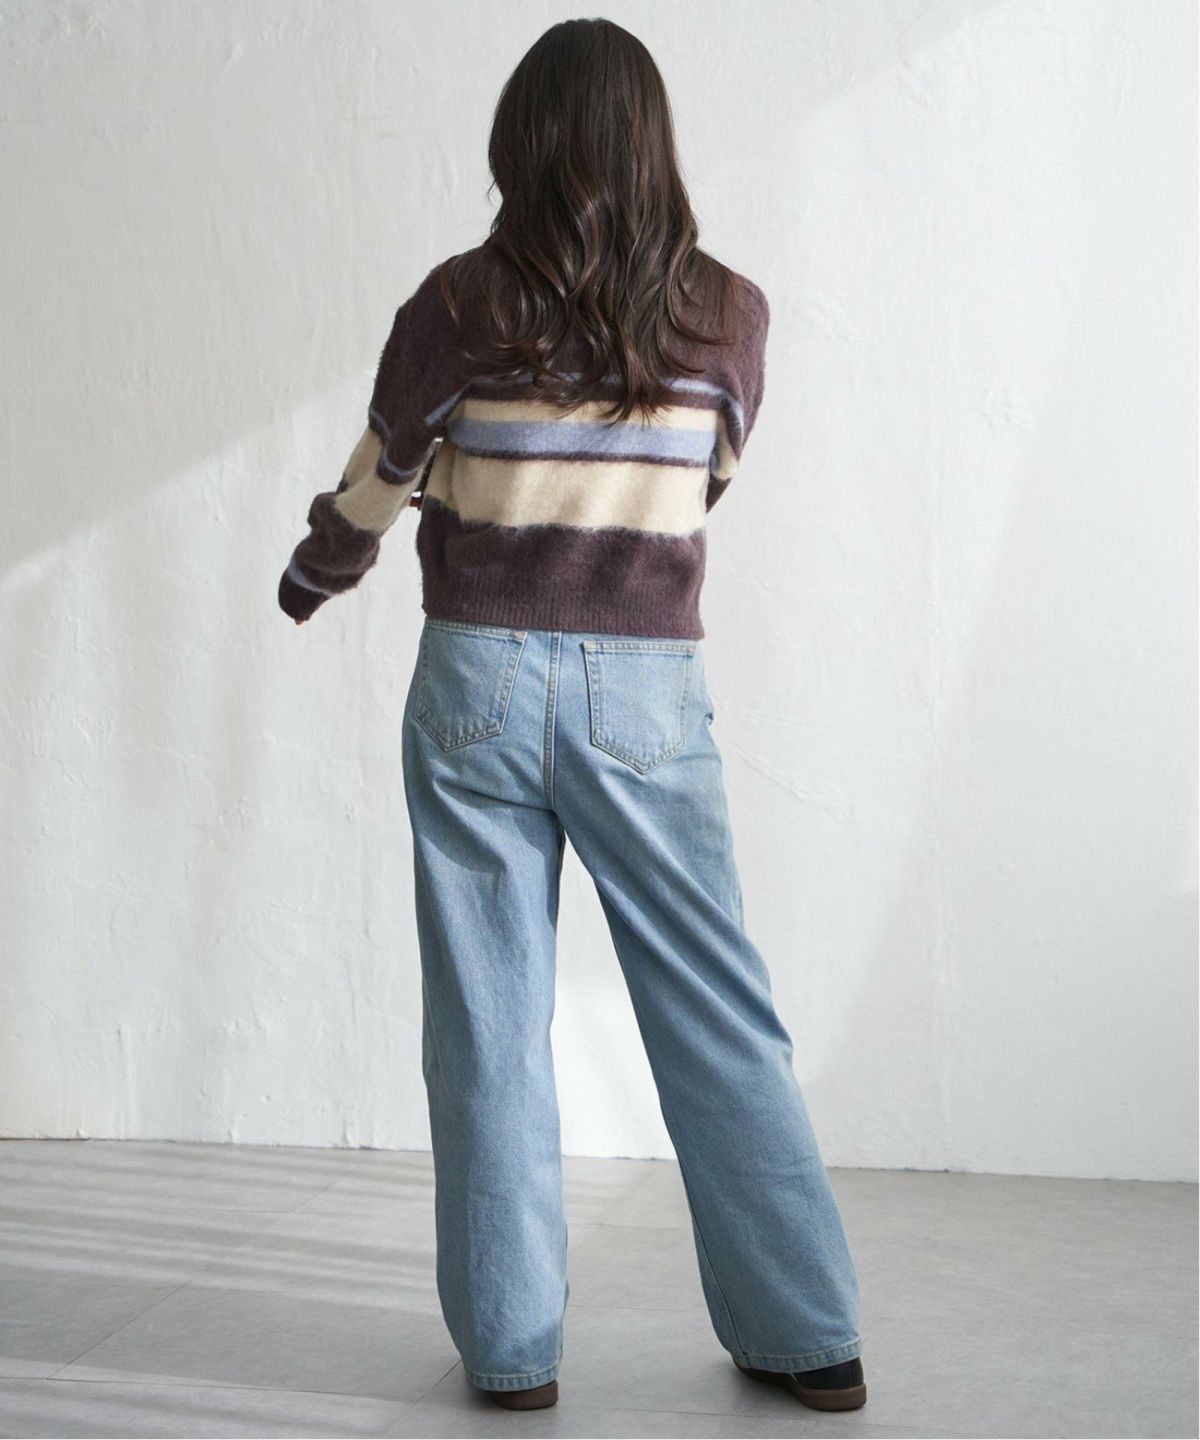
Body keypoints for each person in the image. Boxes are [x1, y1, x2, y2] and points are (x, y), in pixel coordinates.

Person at [278, 16, 865, 1416]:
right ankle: (810, 1338)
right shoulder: (731, 315)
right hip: (644, 681)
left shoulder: (459, 303)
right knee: (715, 1004)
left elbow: (384, 471)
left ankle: (512, 1355)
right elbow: (705, 481)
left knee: (487, 1025)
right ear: (653, 142)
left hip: (476, 673)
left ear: (520, 142)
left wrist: (321, 568)